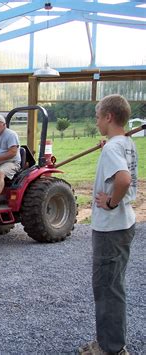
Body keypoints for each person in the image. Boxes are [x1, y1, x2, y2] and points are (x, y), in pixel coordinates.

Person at [79, 94, 137, 355]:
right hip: (122, 226)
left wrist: (112, 202)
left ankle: (110, 348)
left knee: (107, 289)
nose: (96, 121)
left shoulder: (115, 147)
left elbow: (123, 179)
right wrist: (109, 147)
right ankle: (112, 343)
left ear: (109, 117)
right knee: (113, 286)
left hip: (111, 228)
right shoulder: (125, 143)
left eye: (97, 116)